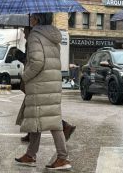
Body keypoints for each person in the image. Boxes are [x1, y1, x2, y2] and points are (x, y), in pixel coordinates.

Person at [15, 13, 71, 170]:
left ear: (37, 19)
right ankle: (30, 154)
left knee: (52, 123)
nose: (30, 19)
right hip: (51, 83)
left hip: (39, 84)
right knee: (40, 119)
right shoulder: (52, 35)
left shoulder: (35, 36)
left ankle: (62, 158)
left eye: (32, 17)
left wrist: (25, 77)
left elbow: (37, 63)